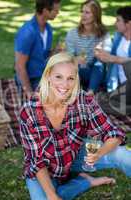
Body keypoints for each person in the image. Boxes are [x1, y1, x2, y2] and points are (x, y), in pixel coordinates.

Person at [19, 52, 131, 200]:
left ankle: (77, 179)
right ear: (48, 76)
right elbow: (36, 161)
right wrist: (52, 195)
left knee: (122, 154)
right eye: (58, 77)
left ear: (76, 79)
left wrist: (99, 153)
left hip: (74, 153)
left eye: (70, 78)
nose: (65, 85)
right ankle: (85, 181)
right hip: (45, 168)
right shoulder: (29, 111)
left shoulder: (83, 100)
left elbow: (112, 132)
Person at [14, 0, 61, 99]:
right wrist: (29, 92)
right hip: (30, 80)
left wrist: (55, 51)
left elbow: (43, 56)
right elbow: (19, 66)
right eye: (55, 10)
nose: (58, 13)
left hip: (43, 75)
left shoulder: (48, 29)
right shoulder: (27, 32)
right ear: (45, 11)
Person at [65, 0, 112, 95]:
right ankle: (83, 90)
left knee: (98, 63)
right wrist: (75, 59)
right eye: (82, 12)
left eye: (87, 12)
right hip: (79, 72)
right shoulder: (72, 33)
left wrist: (100, 52)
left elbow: (107, 55)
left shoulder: (103, 34)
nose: (83, 15)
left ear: (95, 15)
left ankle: (90, 92)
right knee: (75, 65)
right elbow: (68, 57)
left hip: (97, 73)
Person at [95, 6, 131, 93]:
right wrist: (102, 55)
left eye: (118, 20)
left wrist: (113, 58)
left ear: (129, 23)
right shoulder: (118, 37)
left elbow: (114, 58)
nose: (115, 24)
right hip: (118, 85)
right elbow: (111, 57)